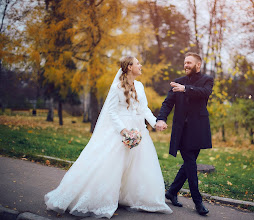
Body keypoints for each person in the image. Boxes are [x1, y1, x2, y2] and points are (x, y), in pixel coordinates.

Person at [44, 56, 172, 218]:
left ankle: (131, 197)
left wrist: (155, 123)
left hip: (139, 129)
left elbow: (144, 108)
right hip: (121, 131)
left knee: (138, 164)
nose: (140, 65)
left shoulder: (139, 86)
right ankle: (98, 197)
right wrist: (124, 131)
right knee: (112, 165)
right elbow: (111, 111)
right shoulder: (117, 87)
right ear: (129, 67)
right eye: (137, 63)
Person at [156, 52, 214, 216]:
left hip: (199, 128)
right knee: (190, 163)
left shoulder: (207, 80)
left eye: (189, 62)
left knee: (190, 163)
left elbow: (204, 92)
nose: (186, 65)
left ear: (198, 65)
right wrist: (161, 118)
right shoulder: (178, 82)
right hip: (182, 130)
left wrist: (186, 89)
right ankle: (198, 201)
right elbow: (167, 103)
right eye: (185, 63)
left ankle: (172, 192)